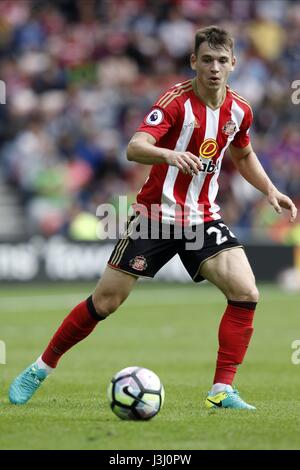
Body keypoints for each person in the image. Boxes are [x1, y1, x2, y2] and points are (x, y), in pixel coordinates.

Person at [9, 26, 297, 410]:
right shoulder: (176, 102)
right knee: (106, 302)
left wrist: (270, 190)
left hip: (202, 218)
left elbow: (243, 155)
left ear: (234, 63)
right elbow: (134, 147)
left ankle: (222, 390)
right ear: (193, 61)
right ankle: (40, 368)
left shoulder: (239, 110)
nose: (214, 68)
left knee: (246, 292)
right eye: (206, 60)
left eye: (222, 61)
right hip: (154, 217)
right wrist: (168, 155)